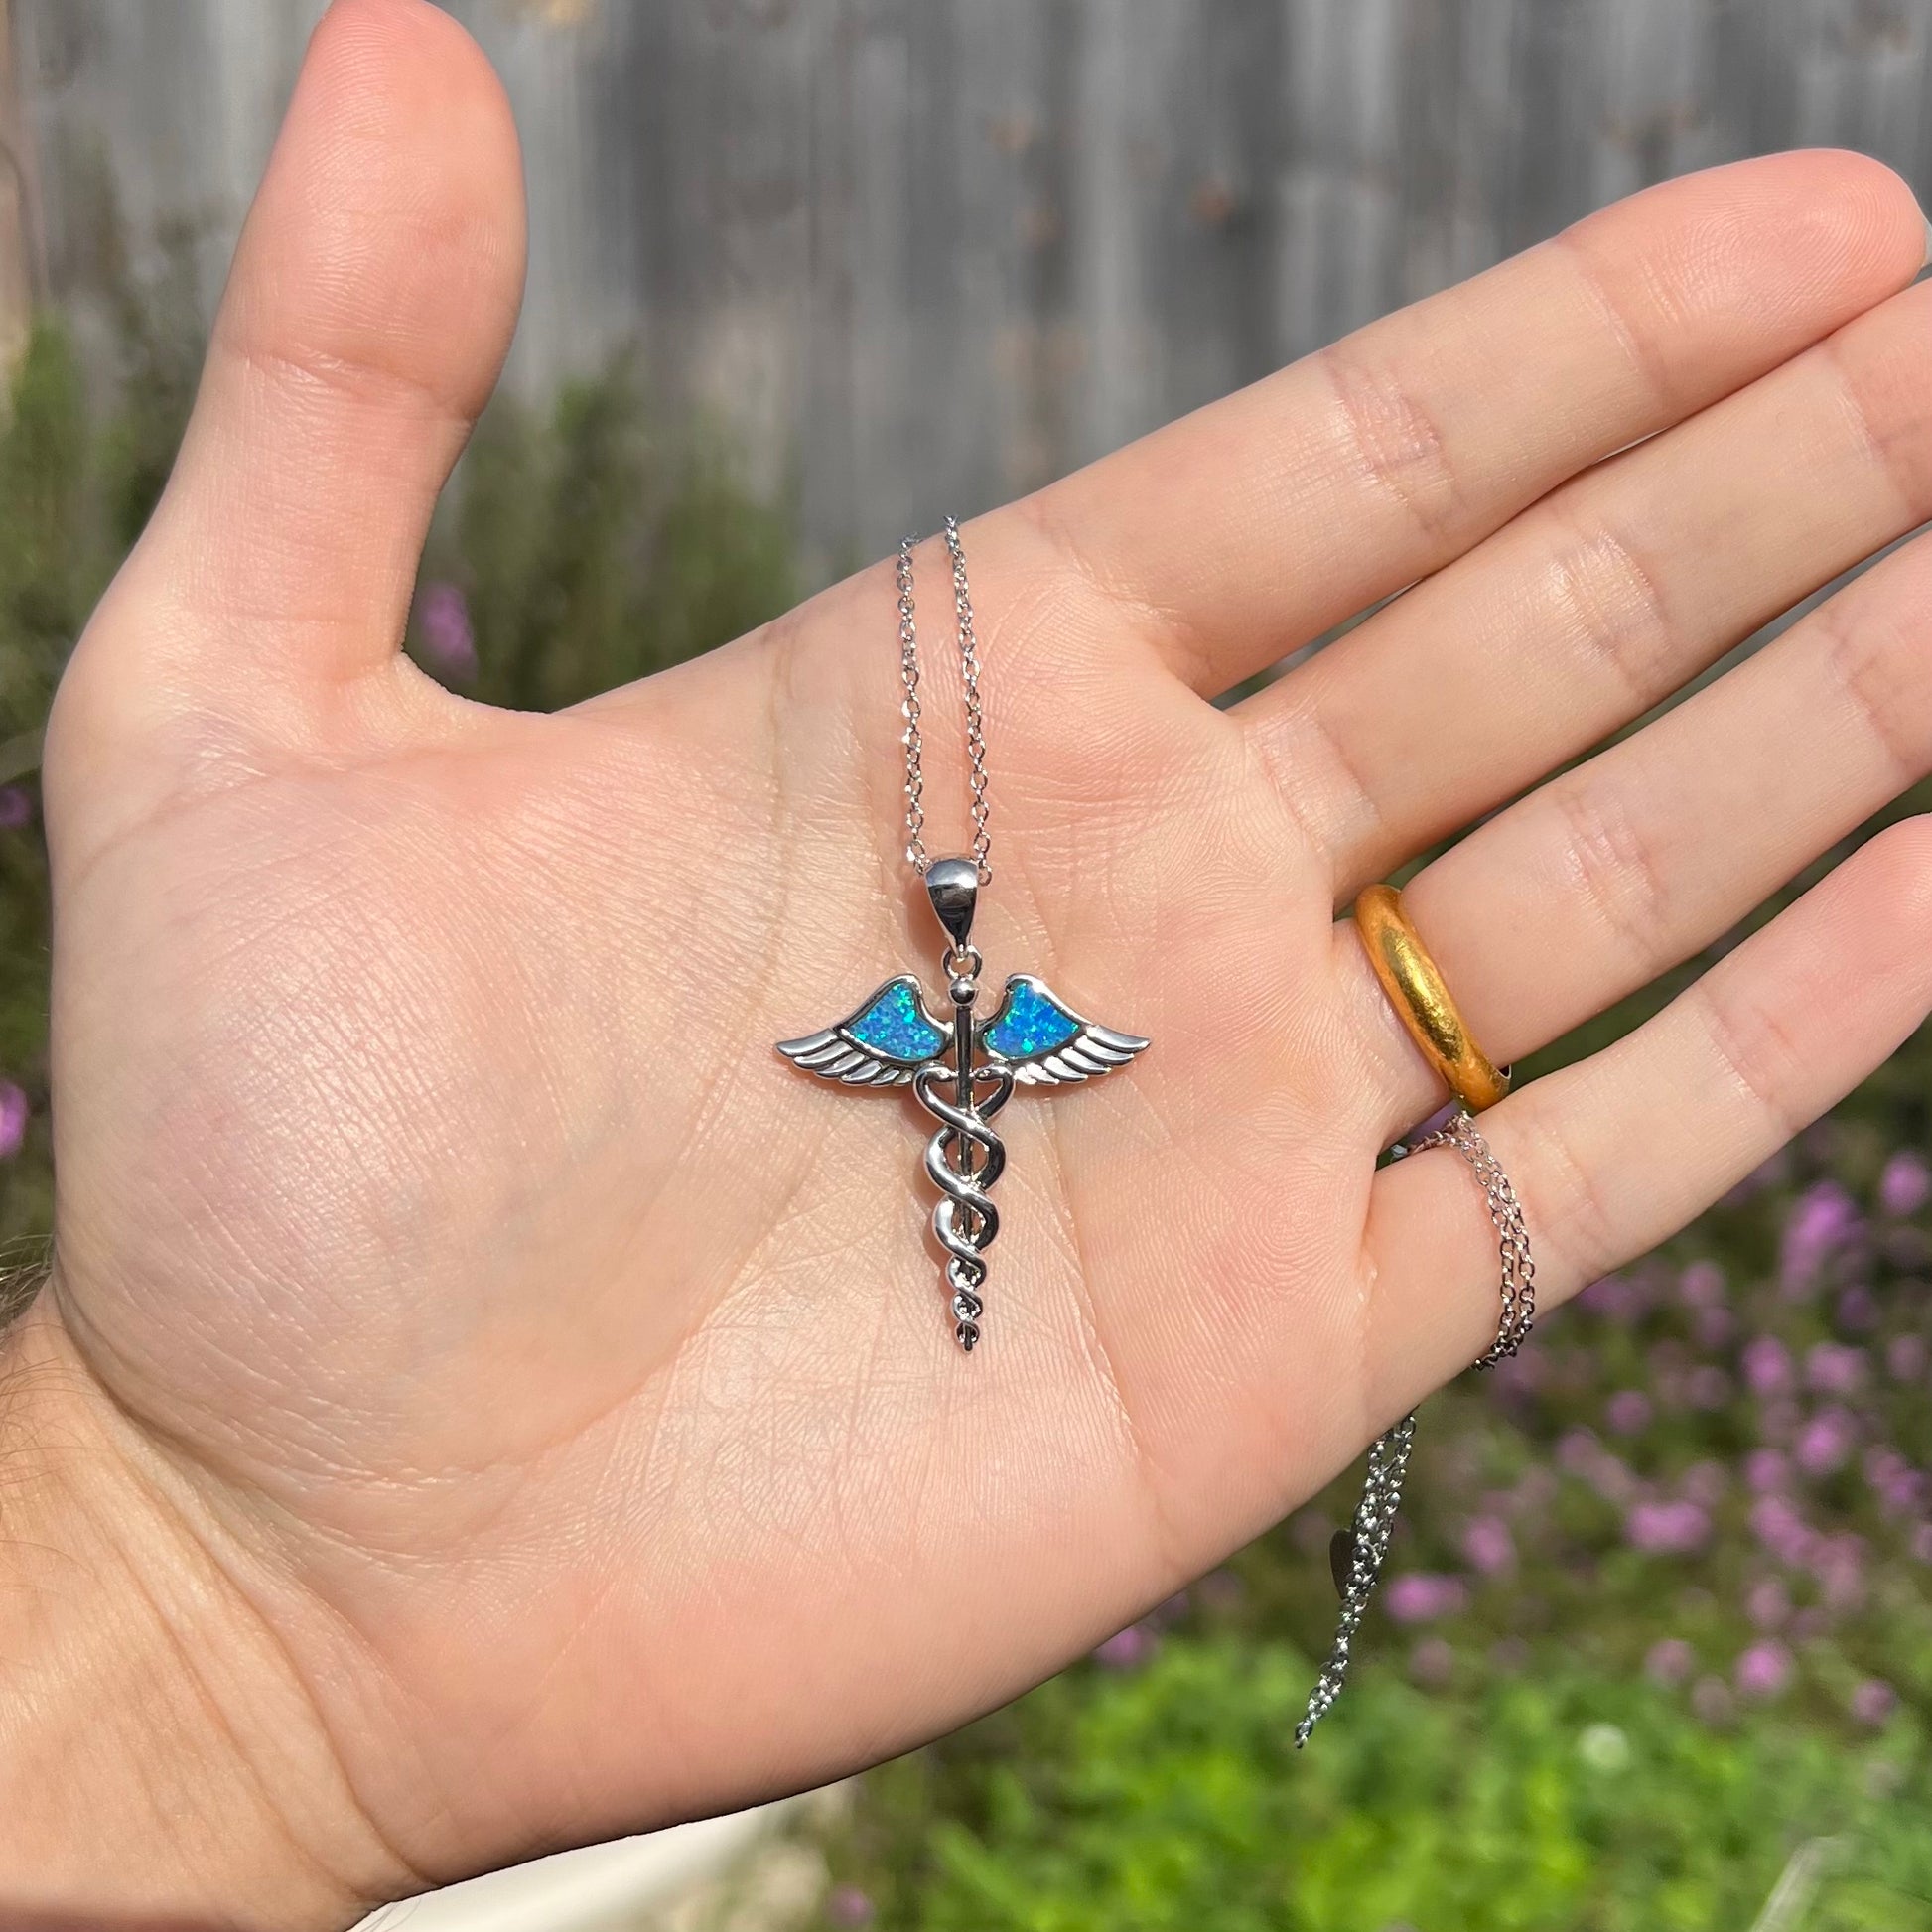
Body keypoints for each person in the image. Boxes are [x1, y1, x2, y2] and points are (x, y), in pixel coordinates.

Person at [7, 0, 1932, 1922]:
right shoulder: (950, 1022)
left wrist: (175, 1620)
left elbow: (1021, 1040)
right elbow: (941, 1044)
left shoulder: (974, 1020)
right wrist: (164, 1552)